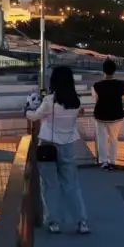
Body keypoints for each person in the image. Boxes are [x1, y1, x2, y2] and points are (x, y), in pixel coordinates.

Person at [26, 66, 90, 235]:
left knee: (50, 185)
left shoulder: (49, 101)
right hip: (67, 145)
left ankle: (54, 221)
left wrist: (27, 108)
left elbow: (34, 116)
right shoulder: (76, 102)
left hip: (48, 146)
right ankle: (81, 221)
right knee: (71, 185)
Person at [92, 58, 124, 170]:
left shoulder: (96, 85)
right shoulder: (122, 84)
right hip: (116, 115)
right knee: (114, 139)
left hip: (100, 115)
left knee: (101, 138)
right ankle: (112, 161)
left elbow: (95, 100)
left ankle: (103, 161)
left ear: (103, 71)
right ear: (114, 70)